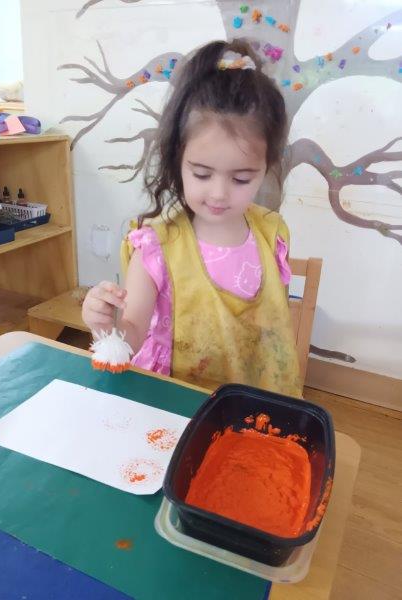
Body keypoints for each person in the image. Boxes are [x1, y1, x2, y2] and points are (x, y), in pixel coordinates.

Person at [82, 39, 301, 396]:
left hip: (250, 405)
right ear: (177, 161)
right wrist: (107, 326)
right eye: (201, 174)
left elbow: (273, 330)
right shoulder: (157, 246)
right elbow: (132, 334)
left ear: (266, 168)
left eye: (241, 179)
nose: (219, 193)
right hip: (176, 404)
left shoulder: (271, 235)